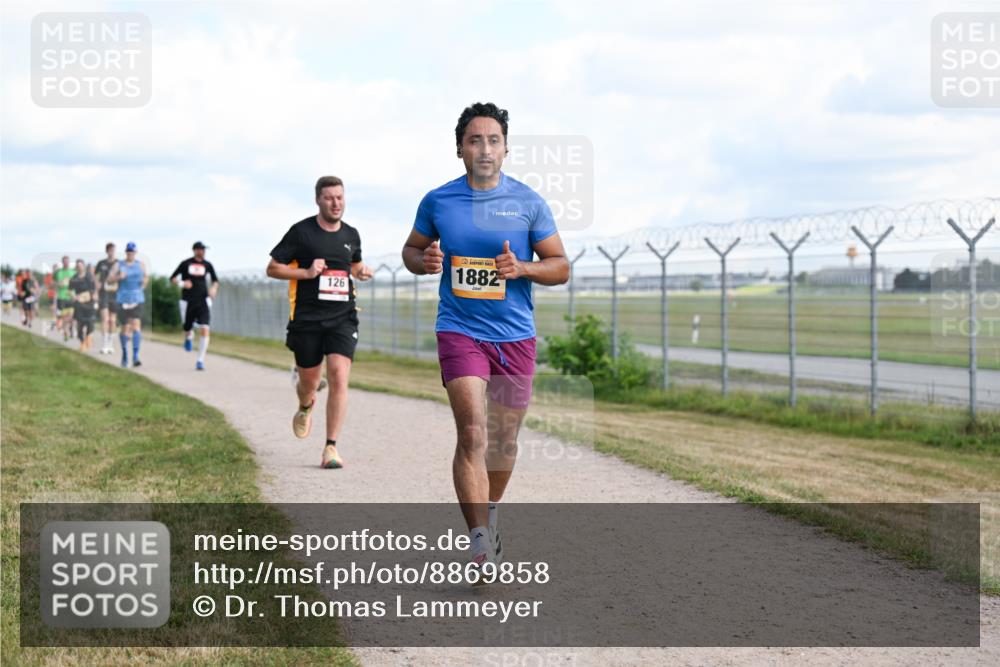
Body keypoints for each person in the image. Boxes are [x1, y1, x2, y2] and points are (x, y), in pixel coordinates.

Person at [401, 102, 569, 574]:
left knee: (503, 441)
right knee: (472, 431)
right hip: (459, 329)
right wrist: (425, 261)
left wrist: (525, 267)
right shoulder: (438, 201)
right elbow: (412, 249)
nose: (484, 148)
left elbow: (560, 266)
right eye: (475, 139)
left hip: (515, 335)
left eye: (493, 139)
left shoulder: (529, 202)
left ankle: (490, 516)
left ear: (506, 148)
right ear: (460, 149)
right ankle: (478, 543)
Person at [266, 175, 374, 469]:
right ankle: (304, 405)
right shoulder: (301, 233)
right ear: (318, 199)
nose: (335, 203)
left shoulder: (351, 234)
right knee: (309, 383)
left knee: (339, 375)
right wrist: (307, 273)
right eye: (329, 198)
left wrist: (361, 271)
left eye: (340, 197)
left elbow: (351, 263)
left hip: (343, 318)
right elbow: (273, 268)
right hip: (308, 319)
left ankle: (331, 448)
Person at [170, 241, 220, 370]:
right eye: (200, 249)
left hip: (203, 300)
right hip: (187, 301)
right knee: (187, 327)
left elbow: (215, 281)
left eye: (204, 249)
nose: (203, 252)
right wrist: (182, 283)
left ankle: (200, 360)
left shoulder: (207, 265)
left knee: (205, 328)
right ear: (195, 250)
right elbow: (172, 278)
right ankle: (189, 336)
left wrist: (214, 288)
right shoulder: (185, 263)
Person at [107, 242, 148, 368]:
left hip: (137, 298)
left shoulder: (141, 265)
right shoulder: (118, 265)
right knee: (124, 328)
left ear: (135, 253)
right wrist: (119, 277)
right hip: (122, 299)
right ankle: (125, 353)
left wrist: (143, 284)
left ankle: (135, 356)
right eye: (128, 252)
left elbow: (146, 278)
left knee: (136, 325)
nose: (130, 254)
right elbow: (109, 280)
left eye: (132, 252)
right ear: (126, 252)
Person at [94, 243, 119, 355]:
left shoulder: (119, 263)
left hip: (115, 294)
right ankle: (104, 344)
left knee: (112, 320)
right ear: (107, 251)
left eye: (113, 250)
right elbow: (94, 276)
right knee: (104, 319)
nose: (111, 251)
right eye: (109, 250)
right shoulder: (101, 263)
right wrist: (96, 287)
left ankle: (110, 343)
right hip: (104, 294)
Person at [69, 259, 98, 351]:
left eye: (81, 265)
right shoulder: (74, 278)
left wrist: (93, 296)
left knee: (90, 323)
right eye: (78, 266)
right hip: (79, 304)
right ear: (76, 267)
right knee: (80, 325)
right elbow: (70, 290)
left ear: (84, 266)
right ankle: (82, 343)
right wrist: (74, 296)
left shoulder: (89, 276)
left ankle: (88, 338)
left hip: (90, 303)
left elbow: (95, 288)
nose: (79, 267)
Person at [53, 256, 76, 340]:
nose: (66, 263)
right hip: (61, 297)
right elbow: (53, 283)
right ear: (62, 262)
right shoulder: (59, 272)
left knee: (71, 315)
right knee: (63, 316)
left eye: (67, 261)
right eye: (64, 261)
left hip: (70, 296)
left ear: (69, 262)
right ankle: (65, 332)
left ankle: (70, 328)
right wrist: (59, 284)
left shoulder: (73, 272)